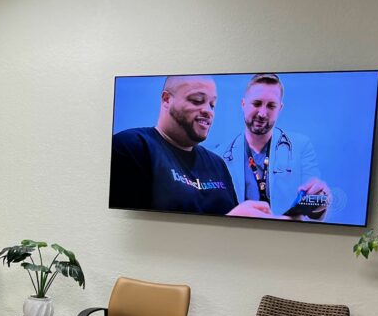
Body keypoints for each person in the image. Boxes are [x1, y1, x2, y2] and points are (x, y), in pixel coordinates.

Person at [110, 75, 272, 217]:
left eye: (212, 105)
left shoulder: (217, 164)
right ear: (167, 99)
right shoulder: (131, 148)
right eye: (197, 101)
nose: (208, 111)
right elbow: (133, 232)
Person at [216, 74, 329, 219]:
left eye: (271, 106)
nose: (262, 113)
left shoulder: (301, 147)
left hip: (287, 236)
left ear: (280, 108)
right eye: (256, 103)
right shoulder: (219, 156)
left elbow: (314, 206)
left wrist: (320, 201)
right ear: (243, 104)